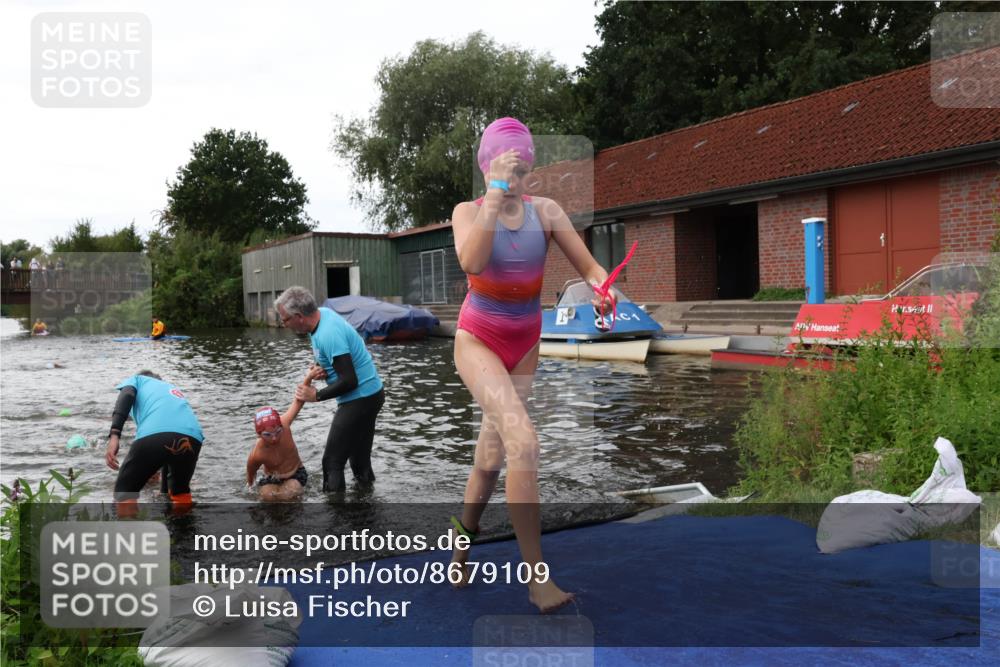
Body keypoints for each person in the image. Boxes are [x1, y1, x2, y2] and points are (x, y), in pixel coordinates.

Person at [448, 117, 616, 613]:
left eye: (523, 168)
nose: (518, 177)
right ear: (488, 166)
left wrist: (602, 288)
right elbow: (473, 262)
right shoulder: (468, 212)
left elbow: (590, 267)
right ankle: (537, 579)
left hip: (524, 343)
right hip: (478, 339)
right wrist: (495, 198)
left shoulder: (546, 212)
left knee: (492, 457)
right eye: (508, 167)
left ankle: (460, 543)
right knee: (525, 441)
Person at [274, 286, 385, 492]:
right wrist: (321, 366)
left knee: (332, 463)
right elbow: (336, 358)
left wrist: (316, 395)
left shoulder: (327, 333)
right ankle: (367, 508)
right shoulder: (320, 318)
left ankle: (336, 517)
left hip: (359, 398)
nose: (283, 324)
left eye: (285, 319)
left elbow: (350, 380)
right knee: (359, 461)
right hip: (371, 394)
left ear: (298, 316)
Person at [105, 370, 204, 514]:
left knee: (124, 493)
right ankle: (183, 533)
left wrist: (114, 434)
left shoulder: (138, 380)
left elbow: (126, 395)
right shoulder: (171, 390)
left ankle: (128, 533)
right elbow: (167, 441)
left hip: (157, 433)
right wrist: (163, 491)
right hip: (193, 436)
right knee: (179, 493)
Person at [246, 365, 326, 501]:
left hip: (295, 473)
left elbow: (299, 400)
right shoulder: (257, 454)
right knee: (267, 497)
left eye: (278, 431)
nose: (274, 438)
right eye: (267, 435)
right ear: (259, 434)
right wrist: (250, 487)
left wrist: (309, 377)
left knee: (287, 495)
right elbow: (250, 475)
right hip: (272, 478)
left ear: (280, 425)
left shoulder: (285, 422)